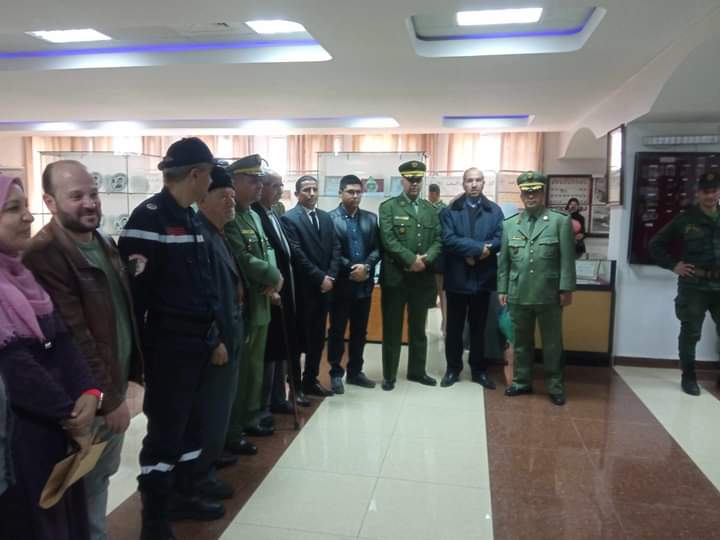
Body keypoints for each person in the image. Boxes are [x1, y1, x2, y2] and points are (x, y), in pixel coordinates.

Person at [22, 160, 143, 540]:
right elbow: (75, 335)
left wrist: (132, 376)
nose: (90, 203)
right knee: (76, 491)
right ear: (50, 201)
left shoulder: (103, 242)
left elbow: (121, 315)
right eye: (76, 196)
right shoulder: (44, 254)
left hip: (111, 386)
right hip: (85, 398)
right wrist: (109, 398)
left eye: (93, 193)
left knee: (99, 479)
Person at [118, 138, 225, 539]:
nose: (210, 182)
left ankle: (184, 495)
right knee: (165, 435)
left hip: (198, 344)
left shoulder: (190, 218)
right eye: (209, 175)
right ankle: (155, 519)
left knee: (193, 428)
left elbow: (204, 287)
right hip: (168, 349)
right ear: (195, 174)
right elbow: (135, 300)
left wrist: (214, 336)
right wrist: (140, 362)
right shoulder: (148, 219)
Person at [0, 174, 99, 540]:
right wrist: (69, 415)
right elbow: (15, 367)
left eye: (26, 207)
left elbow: (62, 340)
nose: (28, 217)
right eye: (13, 208)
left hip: (56, 427)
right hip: (22, 437)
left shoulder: (22, 274)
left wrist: (89, 391)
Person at [497, 171, 576, 406]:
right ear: (521, 195)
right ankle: (521, 382)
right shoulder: (510, 225)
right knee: (521, 342)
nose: (531, 196)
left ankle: (555, 386)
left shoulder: (559, 221)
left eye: (535, 192)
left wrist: (566, 289)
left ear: (543, 194)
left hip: (549, 293)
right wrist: (502, 289)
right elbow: (504, 263)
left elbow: (567, 260)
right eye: (527, 192)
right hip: (518, 292)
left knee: (552, 344)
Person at [193, 165, 246, 499]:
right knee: (210, 411)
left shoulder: (218, 234)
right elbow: (200, 295)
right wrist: (214, 339)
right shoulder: (200, 236)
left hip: (232, 334)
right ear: (203, 199)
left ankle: (210, 463)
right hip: (216, 343)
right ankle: (200, 477)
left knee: (221, 408)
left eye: (233, 198)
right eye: (223, 197)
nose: (231, 203)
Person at [224, 154, 283, 443]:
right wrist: (273, 275)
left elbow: (267, 250)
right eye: (252, 180)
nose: (259, 186)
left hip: (262, 301)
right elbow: (242, 257)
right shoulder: (231, 215)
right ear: (234, 182)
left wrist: (274, 280)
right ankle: (235, 427)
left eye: (260, 180)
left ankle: (251, 416)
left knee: (255, 366)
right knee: (244, 369)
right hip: (245, 302)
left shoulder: (252, 214)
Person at [648, 172, 720, 396]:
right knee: (690, 333)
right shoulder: (686, 219)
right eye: (706, 192)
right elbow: (655, 244)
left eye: (714, 191)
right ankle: (688, 376)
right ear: (698, 193)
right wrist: (673, 265)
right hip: (694, 286)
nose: (710, 196)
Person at [251, 170, 309, 429]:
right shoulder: (254, 214)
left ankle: (277, 398)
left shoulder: (274, 212)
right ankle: (262, 406)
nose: (278, 190)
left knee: (282, 348)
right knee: (270, 351)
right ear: (261, 187)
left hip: (284, 290)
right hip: (268, 293)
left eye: (280, 185)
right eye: (274, 185)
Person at [378, 160, 442, 390]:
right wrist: (410, 259)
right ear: (402, 181)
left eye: (418, 180)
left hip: (421, 278)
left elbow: (438, 239)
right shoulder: (389, 207)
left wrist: (426, 259)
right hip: (396, 278)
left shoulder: (430, 209)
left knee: (418, 329)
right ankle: (389, 375)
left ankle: (417, 371)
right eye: (410, 179)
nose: (414, 183)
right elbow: (388, 240)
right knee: (392, 329)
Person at [440, 167, 504, 389]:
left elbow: (500, 238)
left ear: (484, 183)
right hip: (457, 277)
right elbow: (448, 238)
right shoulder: (451, 211)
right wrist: (478, 249)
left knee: (479, 328)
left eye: (478, 180)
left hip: (482, 279)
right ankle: (453, 369)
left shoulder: (494, 211)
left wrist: (484, 251)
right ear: (463, 184)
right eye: (469, 180)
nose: (474, 184)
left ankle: (478, 370)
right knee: (454, 328)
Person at [282, 176, 341, 397]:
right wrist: (320, 278)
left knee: (317, 339)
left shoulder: (325, 217)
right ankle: (295, 386)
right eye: (307, 189)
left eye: (315, 189)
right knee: (298, 340)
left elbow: (336, 247)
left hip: (325, 289)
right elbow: (297, 254)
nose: (312, 193)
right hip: (303, 290)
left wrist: (331, 277)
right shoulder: (289, 219)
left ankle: (311, 380)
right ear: (297, 193)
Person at [327, 174, 381, 394]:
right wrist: (352, 268)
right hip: (341, 286)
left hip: (364, 286)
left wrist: (366, 267)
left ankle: (355, 372)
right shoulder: (330, 219)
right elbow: (331, 253)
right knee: (337, 331)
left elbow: (377, 249)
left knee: (360, 331)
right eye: (350, 192)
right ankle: (335, 373)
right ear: (340, 193)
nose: (355, 196)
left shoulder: (370, 219)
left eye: (359, 192)